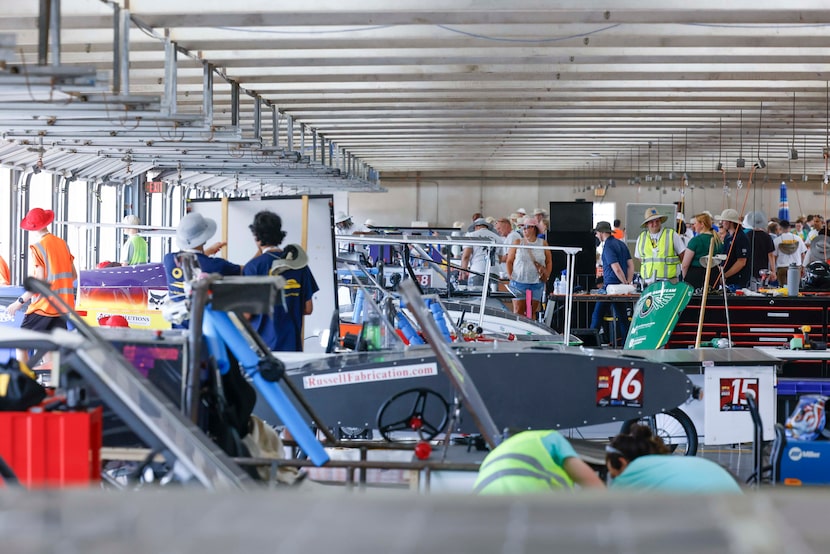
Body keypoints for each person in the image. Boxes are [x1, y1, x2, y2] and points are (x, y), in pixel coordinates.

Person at [5, 208, 77, 366]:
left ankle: (24, 382)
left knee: (20, 343)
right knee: (49, 350)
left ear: (32, 227)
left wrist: (18, 302)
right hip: (62, 308)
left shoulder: (38, 247)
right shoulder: (62, 244)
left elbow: (39, 282)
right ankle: (50, 387)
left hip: (43, 307)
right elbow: (73, 275)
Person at [244, 211, 319, 352]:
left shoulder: (253, 267)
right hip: (292, 346)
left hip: (262, 349)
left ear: (256, 236)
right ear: (279, 234)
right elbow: (308, 308)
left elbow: (247, 314)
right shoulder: (299, 265)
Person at [605, 424, 741, 493]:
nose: (613, 478)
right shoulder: (659, 464)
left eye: (613, 474)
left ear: (622, 462)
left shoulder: (631, 474)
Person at [162, 212, 239, 327]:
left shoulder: (169, 260)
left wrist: (207, 252)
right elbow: (251, 268)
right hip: (205, 330)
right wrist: (261, 249)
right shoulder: (217, 266)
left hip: (178, 329)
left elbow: (193, 259)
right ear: (204, 239)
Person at [473, 430, 605, 494]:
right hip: (530, 498)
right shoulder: (553, 440)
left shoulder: (498, 453)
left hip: (482, 509)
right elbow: (593, 485)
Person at [590, 221, 633, 347]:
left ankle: (590, 344)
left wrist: (623, 282)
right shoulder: (621, 244)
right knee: (623, 319)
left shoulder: (608, 246)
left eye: (597, 233)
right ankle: (627, 345)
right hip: (620, 288)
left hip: (610, 288)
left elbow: (616, 268)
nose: (597, 235)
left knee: (597, 316)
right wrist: (627, 283)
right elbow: (630, 265)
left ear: (602, 233)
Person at [506, 216, 552, 316]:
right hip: (519, 281)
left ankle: (529, 331)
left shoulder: (543, 243)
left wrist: (546, 274)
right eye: (523, 227)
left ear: (533, 228)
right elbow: (509, 261)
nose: (524, 230)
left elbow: (548, 261)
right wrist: (511, 276)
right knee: (518, 311)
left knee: (531, 312)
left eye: (526, 227)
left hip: (536, 282)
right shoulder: (518, 242)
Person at [634, 207, 685, 284]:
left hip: (670, 281)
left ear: (660, 221)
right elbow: (640, 258)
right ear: (647, 224)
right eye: (651, 221)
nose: (655, 224)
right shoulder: (641, 237)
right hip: (648, 282)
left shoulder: (671, 234)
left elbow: (682, 255)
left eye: (657, 221)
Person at [680, 211, 722, 290]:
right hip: (713, 274)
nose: (693, 226)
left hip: (695, 275)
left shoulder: (695, 241)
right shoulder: (717, 240)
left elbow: (685, 265)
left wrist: (685, 278)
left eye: (695, 223)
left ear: (702, 224)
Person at [460, 217, 501, 288]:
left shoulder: (471, 236)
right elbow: (500, 257)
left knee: (477, 296)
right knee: (493, 296)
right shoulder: (497, 237)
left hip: (477, 269)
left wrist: (463, 271)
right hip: (494, 270)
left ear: (476, 226)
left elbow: (466, 256)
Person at [716, 208, 750, 289]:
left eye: (724, 220)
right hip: (728, 280)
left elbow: (741, 262)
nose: (722, 223)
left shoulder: (741, 237)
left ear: (730, 222)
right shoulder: (728, 237)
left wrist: (725, 276)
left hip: (737, 281)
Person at [742, 211, 775, 289]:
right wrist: (773, 271)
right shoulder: (767, 237)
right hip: (763, 270)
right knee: (763, 291)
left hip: (749, 270)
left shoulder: (746, 236)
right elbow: (770, 255)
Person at [773, 219, 806, 285]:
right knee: (795, 289)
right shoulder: (798, 239)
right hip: (796, 267)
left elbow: (774, 256)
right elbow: (803, 254)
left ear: (780, 228)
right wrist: (803, 267)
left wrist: (774, 270)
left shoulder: (776, 240)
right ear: (790, 228)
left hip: (781, 267)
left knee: (783, 290)